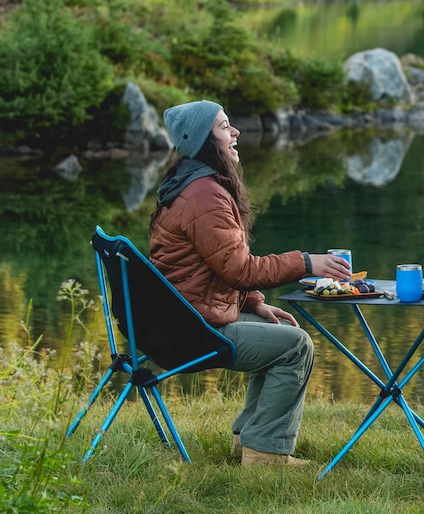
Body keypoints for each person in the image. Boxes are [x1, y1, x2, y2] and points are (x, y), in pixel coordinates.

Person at [148, 100, 351, 466]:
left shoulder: (190, 185)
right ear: (204, 141)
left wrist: (251, 302)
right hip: (191, 329)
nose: (236, 132)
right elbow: (240, 269)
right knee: (295, 346)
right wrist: (307, 262)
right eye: (226, 126)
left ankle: (248, 439)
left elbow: (209, 269)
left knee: (277, 328)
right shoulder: (204, 195)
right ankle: (265, 454)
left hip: (180, 317)